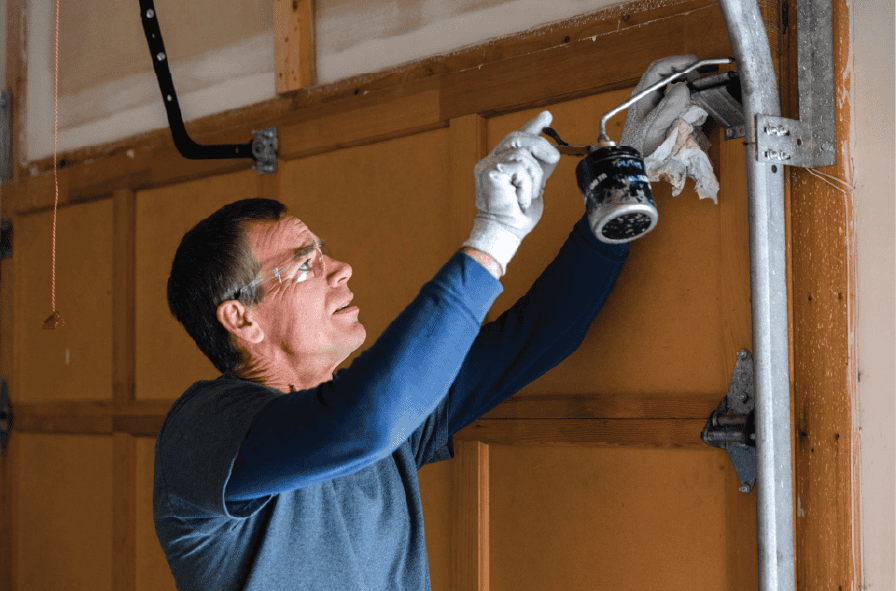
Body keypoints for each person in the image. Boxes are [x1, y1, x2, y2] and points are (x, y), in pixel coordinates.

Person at [155, 55, 700, 590]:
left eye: (324, 252)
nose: (340, 269)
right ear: (241, 318)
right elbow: (361, 423)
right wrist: (493, 236)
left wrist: (624, 180)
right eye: (304, 264)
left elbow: (541, 333)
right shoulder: (203, 432)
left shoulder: (385, 415)